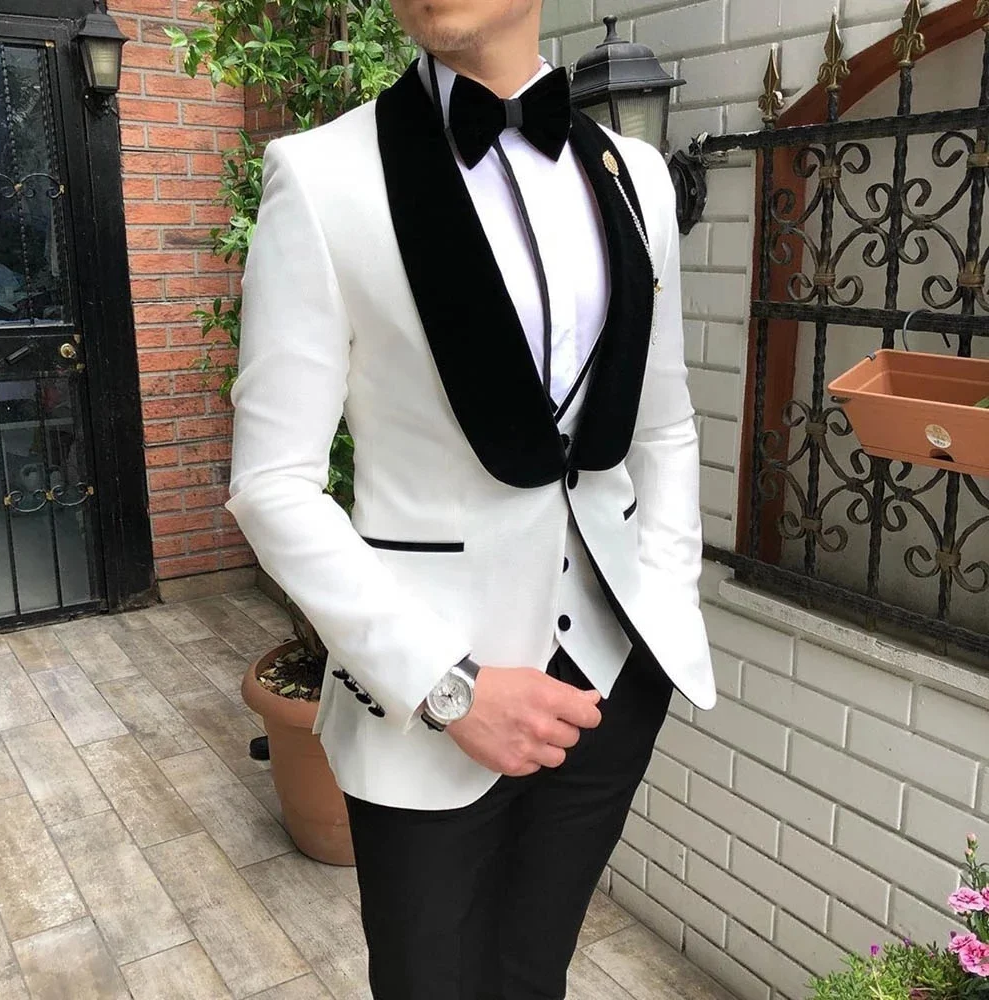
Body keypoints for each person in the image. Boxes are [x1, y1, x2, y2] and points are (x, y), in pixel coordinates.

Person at [225, 1, 717, 996]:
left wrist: (664, 602)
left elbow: (662, 425)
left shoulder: (637, 176)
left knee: (534, 973)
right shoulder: (321, 177)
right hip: (429, 703)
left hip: (612, 679)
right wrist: (446, 686)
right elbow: (272, 482)